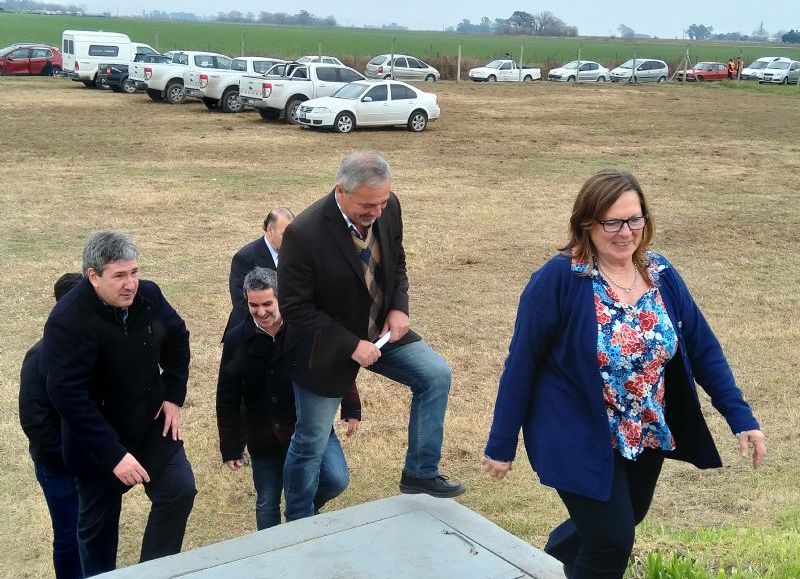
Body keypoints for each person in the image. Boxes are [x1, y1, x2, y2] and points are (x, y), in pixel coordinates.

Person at [481, 170, 766, 579]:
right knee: (611, 543)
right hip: (577, 431)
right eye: (611, 222)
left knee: (623, 520)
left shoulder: (660, 273)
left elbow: (703, 348)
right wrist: (501, 443)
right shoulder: (559, 279)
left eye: (635, 220)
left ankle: (555, 558)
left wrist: (741, 418)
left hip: (644, 428)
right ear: (587, 224)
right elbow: (521, 363)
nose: (625, 232)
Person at [278, 150, 464, 521]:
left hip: (381, 333)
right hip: (324, 350)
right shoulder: (304, 233)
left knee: (435, 376)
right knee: (311, 441)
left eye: (382, 203)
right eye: (368, 205)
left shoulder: (388, 206)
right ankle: (297, 518)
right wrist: (351, 345)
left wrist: (399, 307)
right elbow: (296, 309)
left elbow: (397, 261)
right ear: (341, 192)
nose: (377, 212)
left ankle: (420, 473)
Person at [42, 231, 196, 577]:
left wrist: (173, 396)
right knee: (98, 534)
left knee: (179, 491)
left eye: (135, 272)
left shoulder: (149, 296)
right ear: (93, 276)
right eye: (120, 276)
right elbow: (66, 395)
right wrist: (113, 454)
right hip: (97, 445)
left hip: (149, 424)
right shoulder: (67, 321)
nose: (131, 284)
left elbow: (178, 339)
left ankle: (153, 572)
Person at [216, 267, 360, 530]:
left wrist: (350, 406)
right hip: (263, 436)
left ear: (281, 298)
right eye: (253, 305)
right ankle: (272, 556)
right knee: (267, 502)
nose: (261, 312)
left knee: (336, 479)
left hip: (309, 426)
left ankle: (301, 511)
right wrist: (230, 445)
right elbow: (227, 394)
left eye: (268, 303)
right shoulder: (237, 339)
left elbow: (335, 365)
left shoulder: (306, 327)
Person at [19, 272, 83, 579]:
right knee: (69, 535)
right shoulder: (40, 356)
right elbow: (35, 421)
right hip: (58, 468)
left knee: (89, 529)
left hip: (91, 464)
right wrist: (68, 457)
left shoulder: (92, 346)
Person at [223, 208, 294, 339]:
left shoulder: (295, 253)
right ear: (270, 230)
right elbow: (241, 302)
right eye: (285, 234)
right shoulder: (245, 257)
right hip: (254, 333)